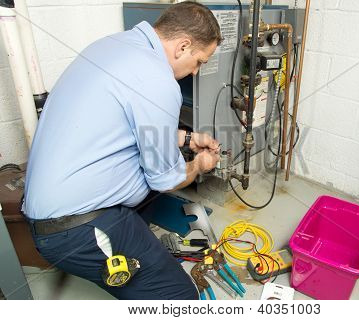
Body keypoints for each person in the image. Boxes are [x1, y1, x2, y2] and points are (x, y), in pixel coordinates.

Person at [23, 2, 222, 300]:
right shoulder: (158, 81)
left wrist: (189, 139)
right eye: (200, 62)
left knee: (149, 190)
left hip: (51, 205)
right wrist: (200, 165)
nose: (195, 72)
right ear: (183, 46)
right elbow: (167, 180)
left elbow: (132, 125)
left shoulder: (114, 45)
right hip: (73, 229)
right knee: (179, 297)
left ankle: (139, 247)